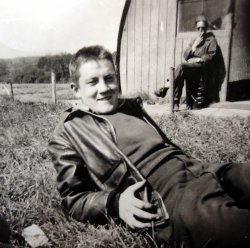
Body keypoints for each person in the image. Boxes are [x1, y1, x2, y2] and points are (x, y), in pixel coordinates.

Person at [48, 45, 250, 248]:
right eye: (93, 82)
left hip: (200, 168)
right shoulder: (68, 133)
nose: (105, 88)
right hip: (168, 193)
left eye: (109, 78)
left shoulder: (130, 107)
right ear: (76, 90)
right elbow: (72, 199)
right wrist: (115, 203)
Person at [154, 16, 218, 110]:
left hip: (201, 67)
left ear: (206, 28)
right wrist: (194, 46)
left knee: (181, 67)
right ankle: (175, 103)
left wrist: (199, 59)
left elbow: (212, 55)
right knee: (180, 72)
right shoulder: (194, 40)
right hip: (191, 67)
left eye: (203, 28)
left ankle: (165, 88)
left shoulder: (211, 40)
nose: (201, 30)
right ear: (196, 29)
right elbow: (185, 55)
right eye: (199, 28)